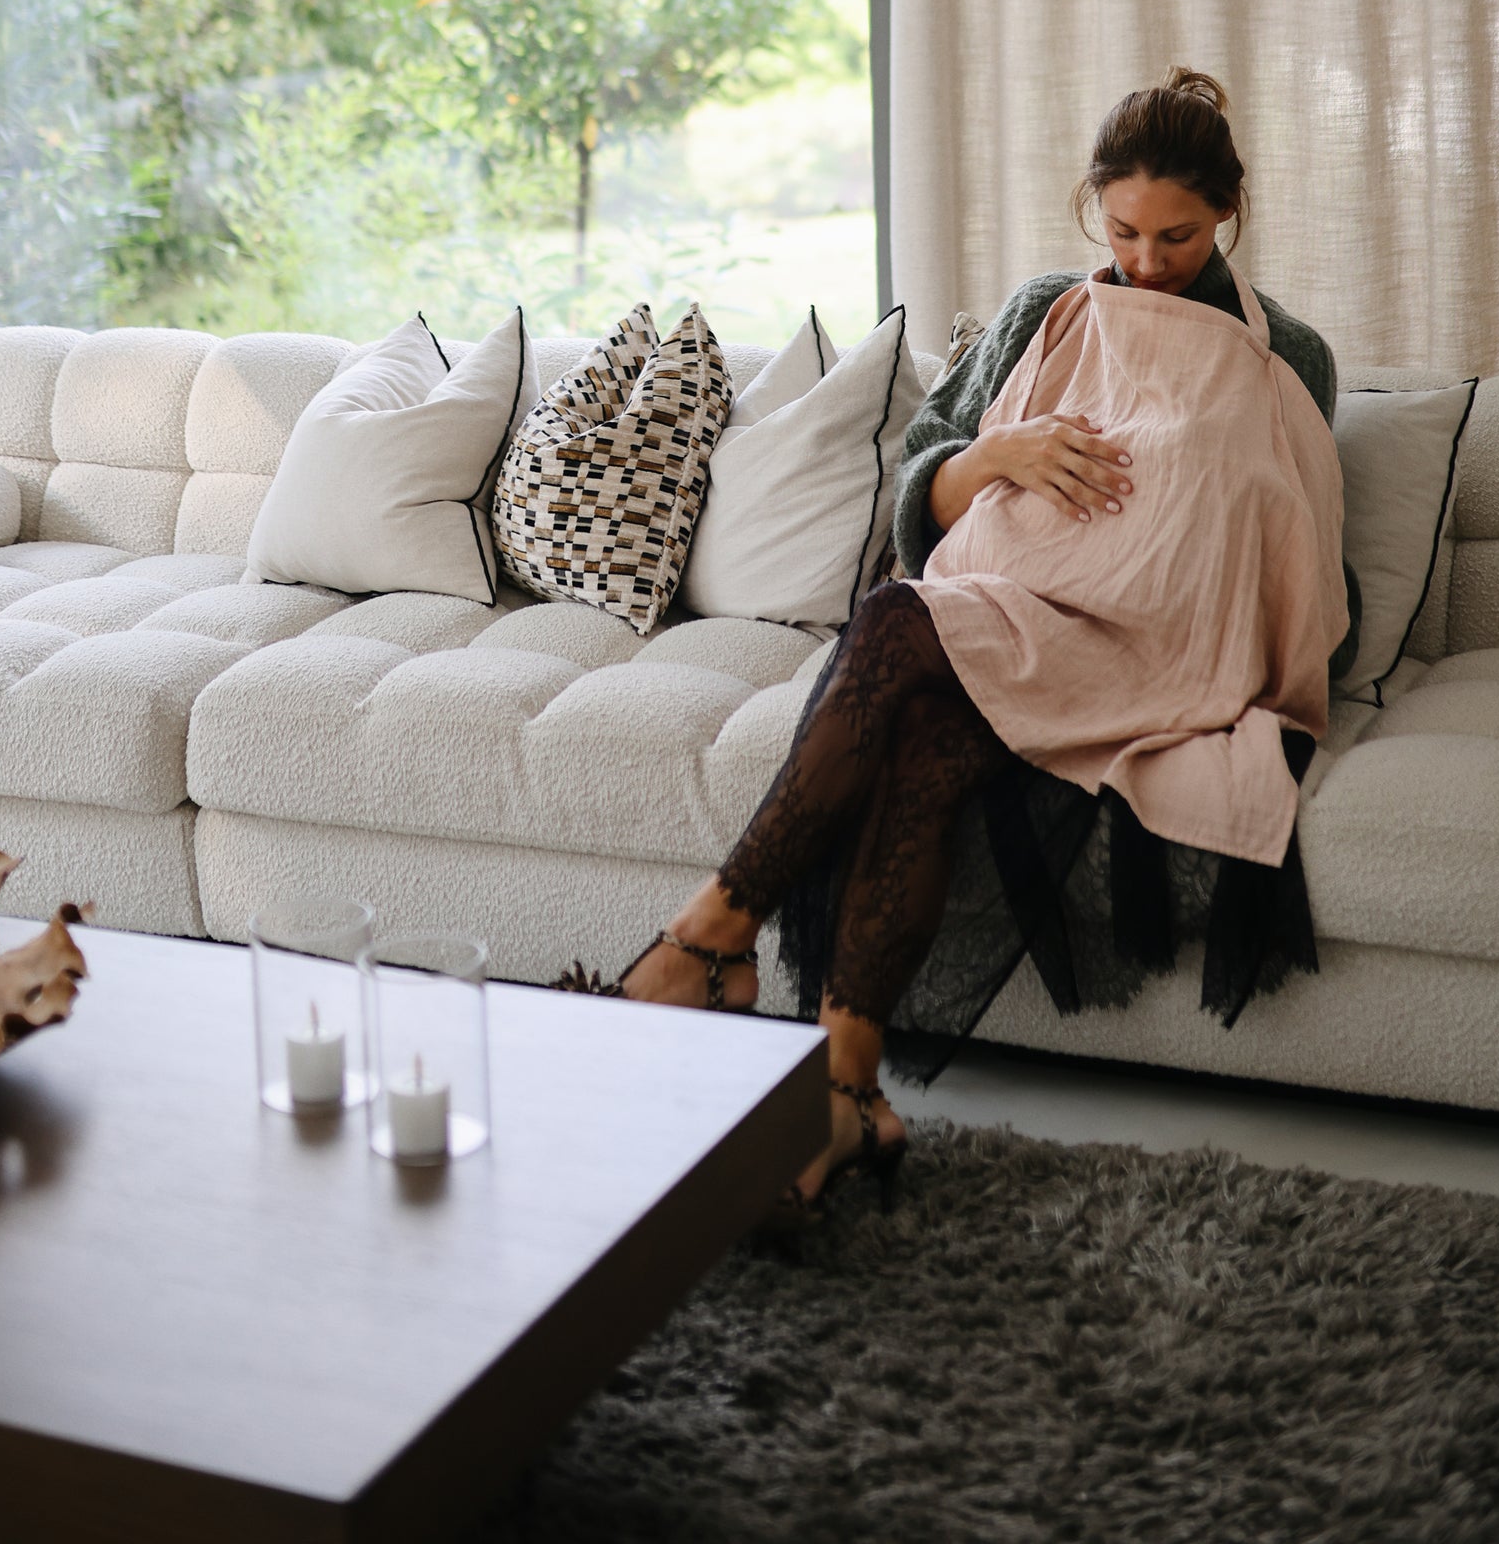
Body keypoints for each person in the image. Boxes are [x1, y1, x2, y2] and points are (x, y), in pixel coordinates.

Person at [573, 69, 1357, 1212]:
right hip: (1007, 611)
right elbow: (919, 485)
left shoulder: (1288, 351)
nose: (1145, 258)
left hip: (1160, 656)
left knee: (905, 668)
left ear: (1227, 213)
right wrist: (992, 457)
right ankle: (846, 1087)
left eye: (1176, 236)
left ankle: (707, 937)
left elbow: (1291, 546)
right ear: (1093, 207)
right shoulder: (1042, 309)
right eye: (1123, 229)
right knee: (913, 692)